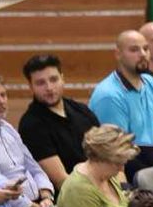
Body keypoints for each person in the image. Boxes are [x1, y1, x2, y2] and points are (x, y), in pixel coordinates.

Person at [89, 30, 153, 148]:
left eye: (146, 49)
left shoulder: (151, 83)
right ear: (118, 54)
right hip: (130, 162)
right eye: (134, 50)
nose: (143, 54)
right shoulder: (109, 95)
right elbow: (118, 152)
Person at [19, 53, 100, 190]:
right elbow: (62, 180)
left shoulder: (81, 110)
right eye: (40, 83)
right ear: (31, 86)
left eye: (53, 79)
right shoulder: (31, 125)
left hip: (101, 186)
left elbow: (108, 155)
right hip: (72, 197)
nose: (49, 87)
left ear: (62, 79)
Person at [54, 126, 138, 207]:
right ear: (99, 158)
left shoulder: (107, 175)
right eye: (117, 163)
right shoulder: (79, 190)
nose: (121, 168)